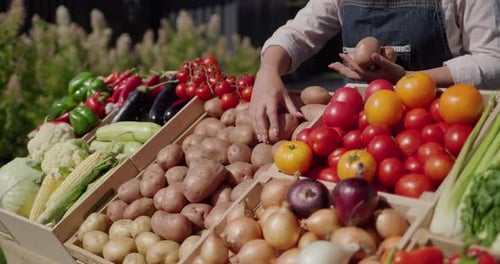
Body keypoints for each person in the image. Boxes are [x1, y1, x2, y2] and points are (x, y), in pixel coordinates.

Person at [248, 0, 500, 143]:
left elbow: (493, 61)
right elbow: (299, 33)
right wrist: (268, 69)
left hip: (434, 130)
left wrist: (406, 80)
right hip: (357, 130)